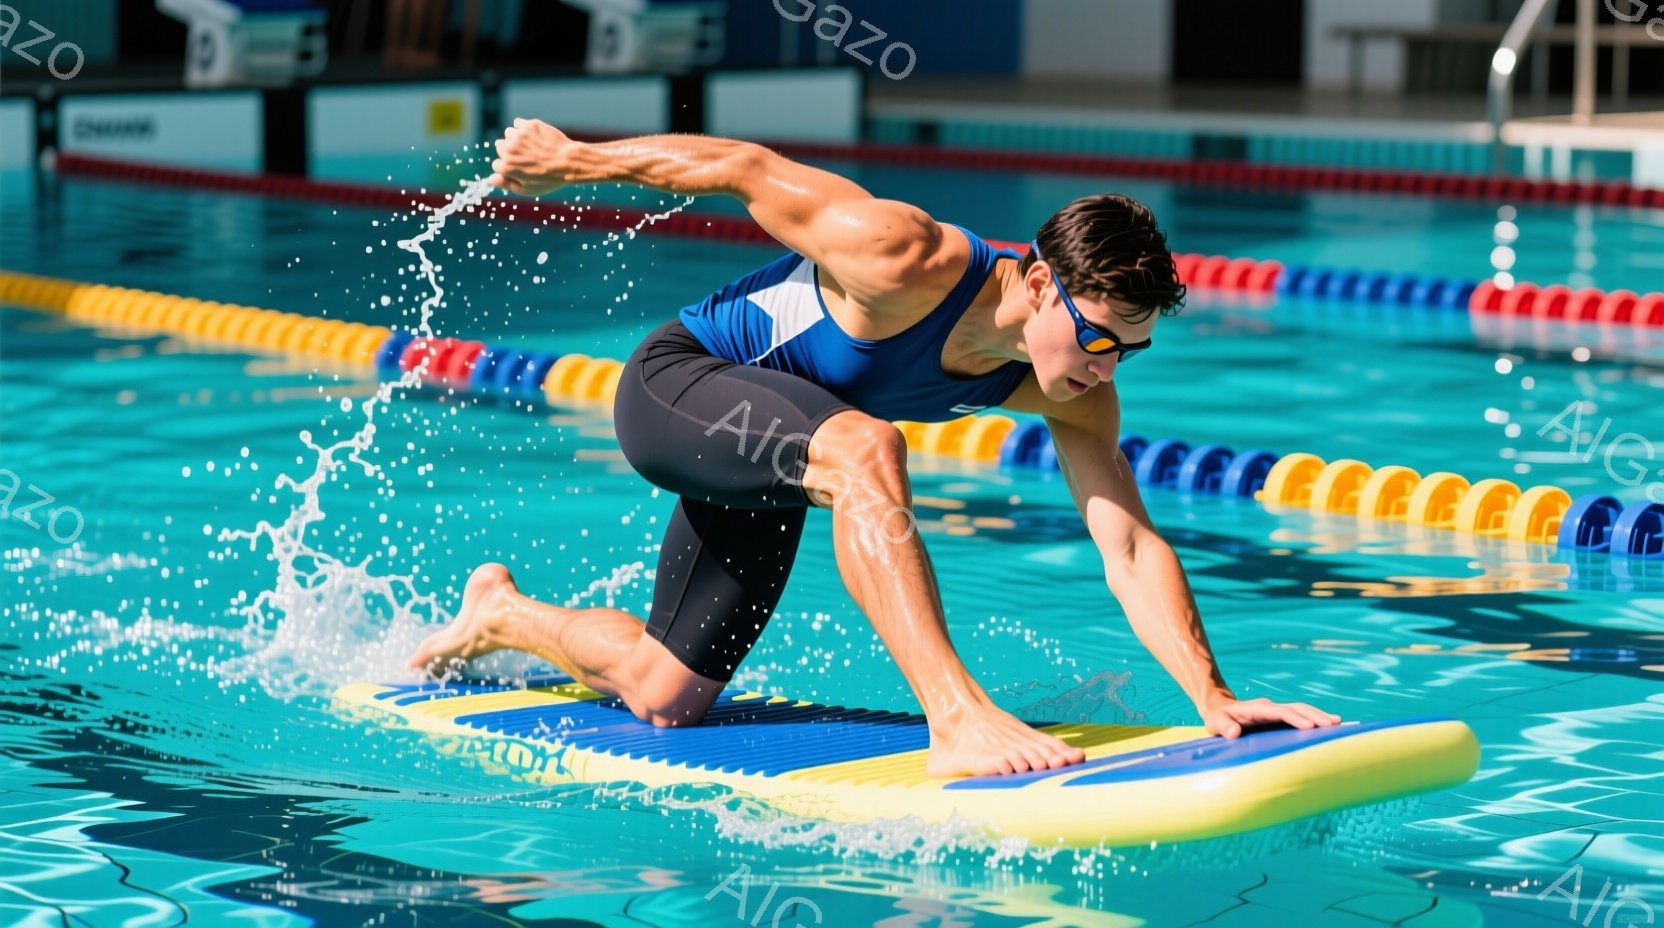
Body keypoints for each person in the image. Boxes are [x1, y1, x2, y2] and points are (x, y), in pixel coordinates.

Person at [407, 119, 1342, 778]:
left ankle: (501, 613)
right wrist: (573, 159)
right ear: (1043, 284)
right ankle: (955, 714)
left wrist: (1213, 697)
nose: (1108, 370)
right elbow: (742, 165)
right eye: (1100, 339)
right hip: (678, 390)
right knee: (865, 444)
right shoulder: (905, 254)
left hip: (779, 456)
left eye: (1131, 350)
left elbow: (1130, 545)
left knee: (664, 698)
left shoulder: (1072, 394)